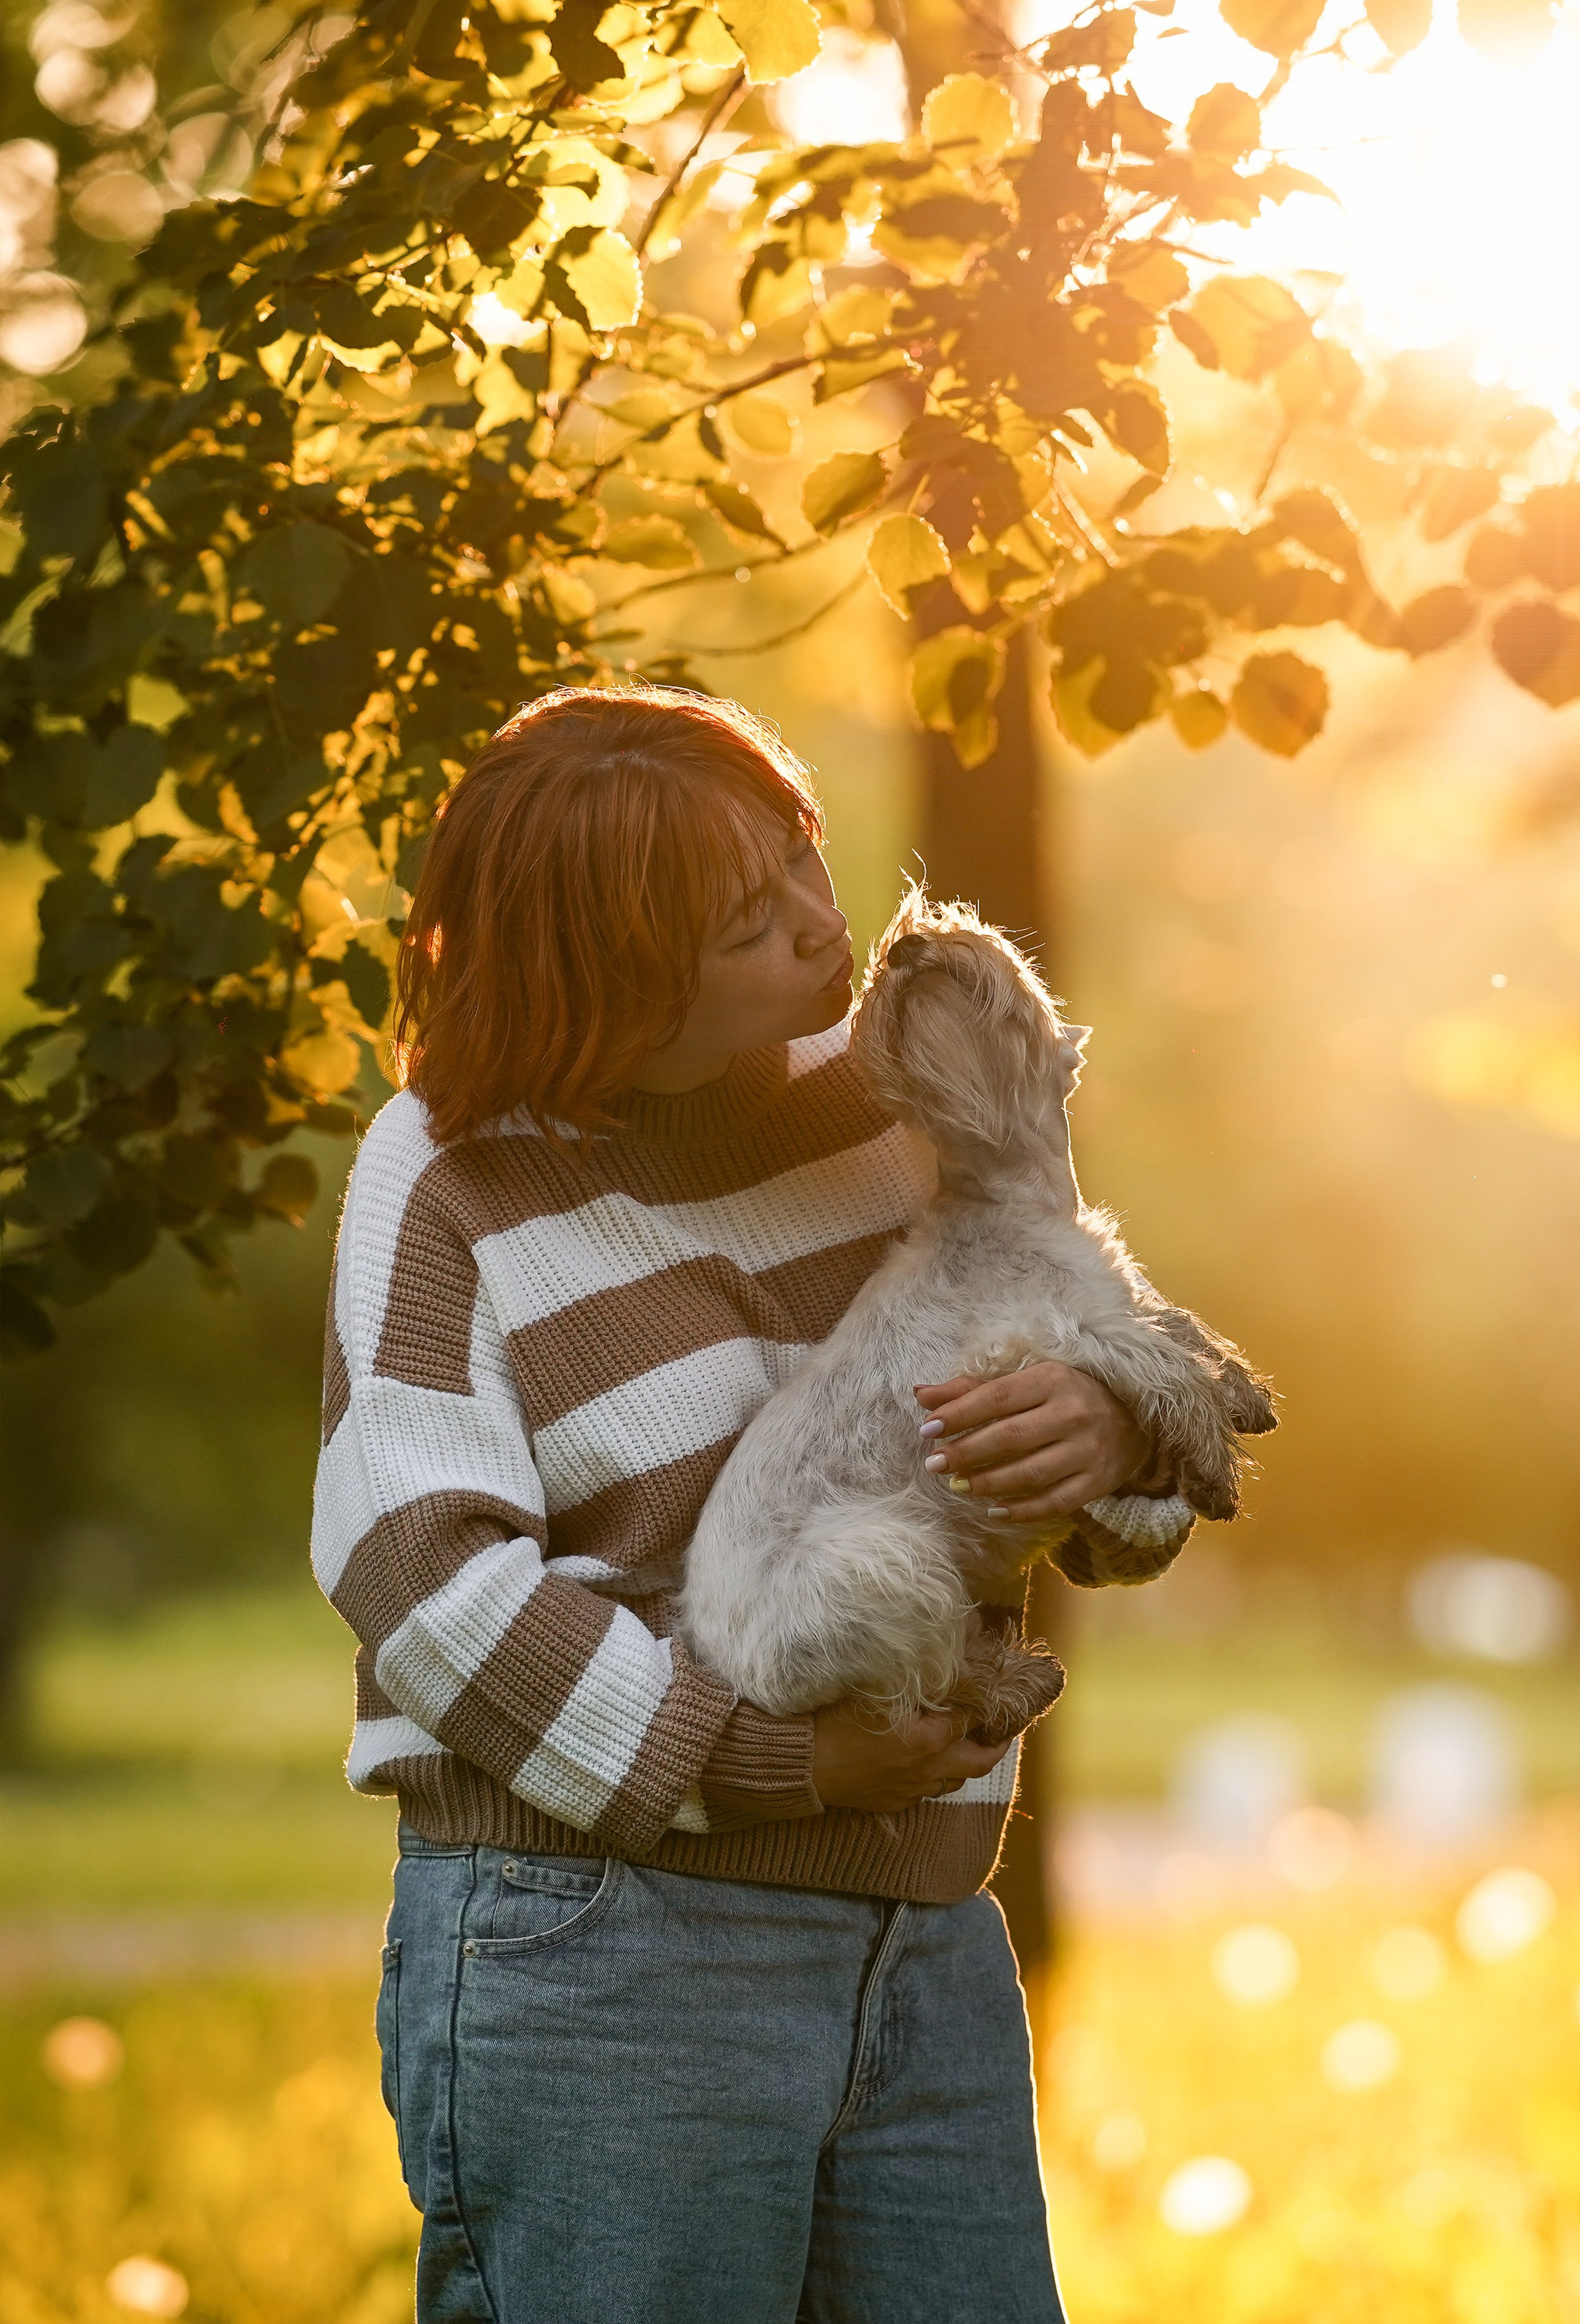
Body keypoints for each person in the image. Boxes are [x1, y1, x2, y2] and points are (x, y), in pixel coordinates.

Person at [312, 685, 1174, 2323]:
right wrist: (768, 1757)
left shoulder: (895, 1103)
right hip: (609, 1958)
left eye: (800, 854)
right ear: (611, 971)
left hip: (919, 1939)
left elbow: (1097, 1372)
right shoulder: (446, 1175)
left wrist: (1106, 1429)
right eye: (742, 924)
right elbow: (422, 1580)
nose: (815, 921)